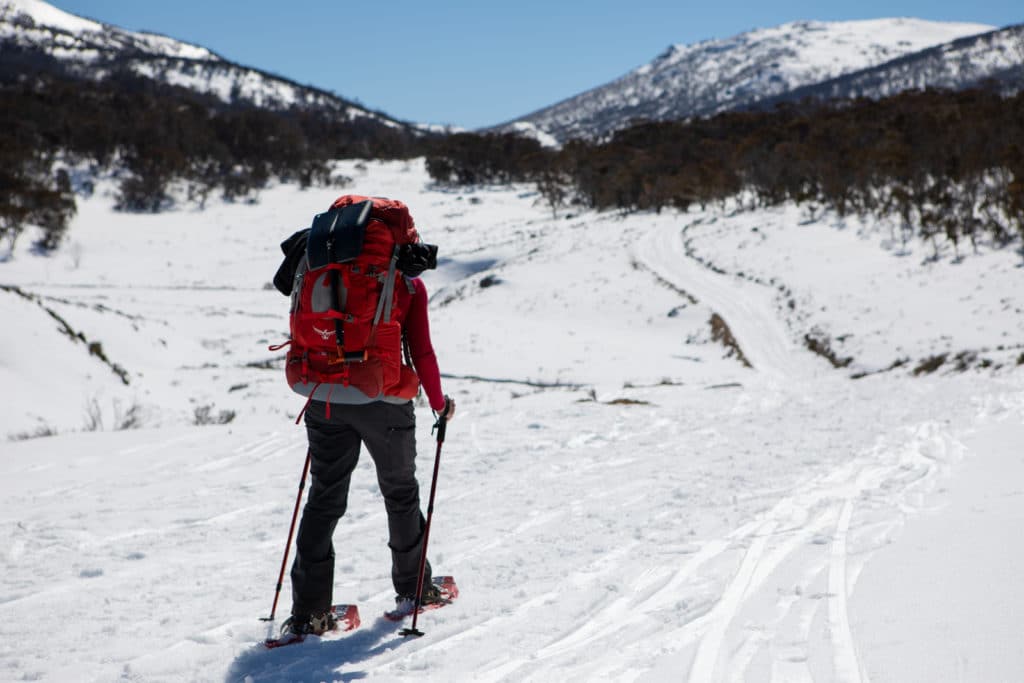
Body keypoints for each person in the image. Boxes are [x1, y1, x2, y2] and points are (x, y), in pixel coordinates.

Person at [273, 198, 455, 638]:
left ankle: (309, 613)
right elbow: (422, 352)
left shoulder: (317, 267)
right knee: (400, 493)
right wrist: (437, 402)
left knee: (324, 498)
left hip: (323, 395)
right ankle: (415, 590)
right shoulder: (404, 284)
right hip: (383, 403)